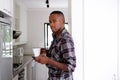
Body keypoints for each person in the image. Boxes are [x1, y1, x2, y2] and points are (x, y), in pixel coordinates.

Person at [35, 10, 76, 80]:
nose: (51, 24)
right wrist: (43, 52)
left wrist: (48, 61)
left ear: (62, 21)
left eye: (54, 21)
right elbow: (56, 53)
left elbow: (70, 67)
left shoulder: (65, 39)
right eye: (50, 22)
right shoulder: (56, 36)